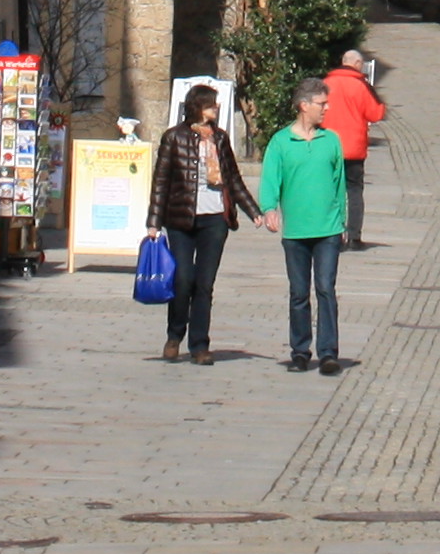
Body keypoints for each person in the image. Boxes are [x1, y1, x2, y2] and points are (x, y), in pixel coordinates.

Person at [149, 83, 253, 364]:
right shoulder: (174, 138)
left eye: (216, 104)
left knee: (204, 284)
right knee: (183, 279)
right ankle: (174, 334)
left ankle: (199, 345)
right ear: (197, 107)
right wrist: (154, 222)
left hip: (215, 219)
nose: (216, 108)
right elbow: (161, 182)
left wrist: (254, 212)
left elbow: (232, 179)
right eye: (210, 104)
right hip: (181, 219)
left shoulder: (220, 139)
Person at [262, 74, 351, 372]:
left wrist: (343, 223)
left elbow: (340, 185)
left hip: (328, 230)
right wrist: (269, 208)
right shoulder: (281, 142)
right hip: (297, 231)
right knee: (299, 292)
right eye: (321, 104)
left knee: (326, 288)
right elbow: (271, 180)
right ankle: (300, 351)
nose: (326, 109)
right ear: (304, 105)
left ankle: (328, 352)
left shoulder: (331, 140)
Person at [323, 47, 387, 250]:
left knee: (331, 192)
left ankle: (330, 235)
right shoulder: (361, 85)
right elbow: (376, 113)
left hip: (328, 147)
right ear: (358, 65)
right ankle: (353, 237)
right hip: (353, 148)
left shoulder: (326, 83)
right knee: (354, 191)